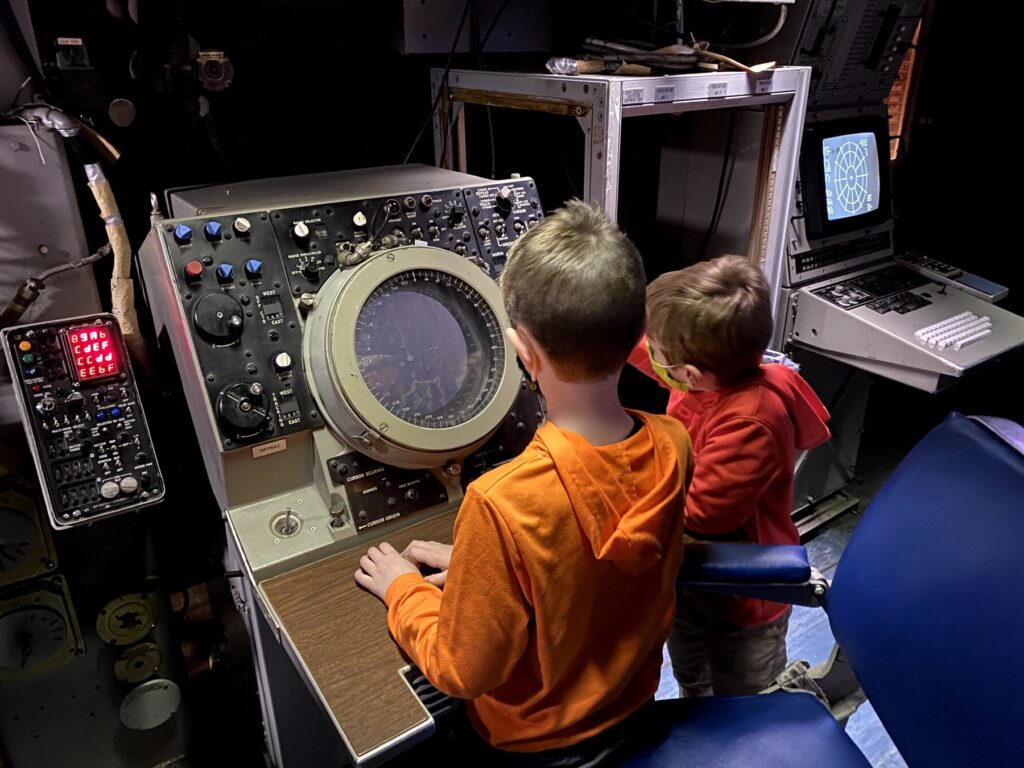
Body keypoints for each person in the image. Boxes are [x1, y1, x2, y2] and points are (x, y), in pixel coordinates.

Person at [354, 199, 694, 765]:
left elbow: (461, 672)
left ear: (523, 353)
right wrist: (482, 568)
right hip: (633, 708)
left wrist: (401, 589)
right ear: (639, 331)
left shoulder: (500, 504)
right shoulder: (674, 444)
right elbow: (585, 559)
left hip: (531, 746)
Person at [629, 253, 830, 697]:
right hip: (694, 581)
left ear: (689, 375)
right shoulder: (714, 376)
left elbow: (702, 515)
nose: (651, 354)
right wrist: (605, 330)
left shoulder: (752, 420)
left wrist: (621, 486)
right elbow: (649, 357)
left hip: (744, 601)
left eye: (658, 349)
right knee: (693, 682)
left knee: (743, 701)